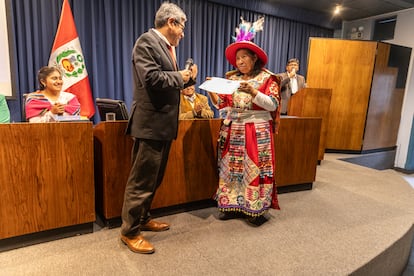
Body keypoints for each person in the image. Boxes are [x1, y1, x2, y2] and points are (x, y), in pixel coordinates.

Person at [120, 2, 197, 254]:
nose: (183, 33)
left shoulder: (167, 48)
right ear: (171, 22)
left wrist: (189, 77)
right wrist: (182, 77)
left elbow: (169, 82)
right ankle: (129, 232)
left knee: (155, 178)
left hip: (163, 125)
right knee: (141, 180)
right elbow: (151, 78)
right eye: (182, 27)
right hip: (150, 124)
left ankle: (142, 218)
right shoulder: (147, 42)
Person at [208, 17, 281, 226]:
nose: (239, 62)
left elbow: (273, 104)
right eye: (237, 58)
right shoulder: (231, 79)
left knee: (255, 167)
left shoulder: (268, 79)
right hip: (234, 129)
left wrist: (254, 92)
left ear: (254, 58)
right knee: (231, 168)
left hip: (257, 132)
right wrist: (213, 92)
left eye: (244, 57)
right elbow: (223, 107)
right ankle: (231, 203)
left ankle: (255, 207)